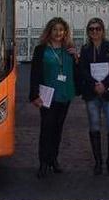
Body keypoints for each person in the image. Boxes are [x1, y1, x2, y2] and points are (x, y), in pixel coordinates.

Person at [29, 17, 79, 178]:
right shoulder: (41, 49)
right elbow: (34, 74)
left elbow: (77, 71)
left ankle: (54, 160)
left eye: (61, 30)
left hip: (65, 94)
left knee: (58, 129)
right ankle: (43, 162)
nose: (58, 33)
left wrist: (77, 58)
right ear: (49, 31)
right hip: (47, 96)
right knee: (46, 129)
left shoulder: (69, 49)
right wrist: (34, 95)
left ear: (65, 32)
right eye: (55, 30)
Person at [77, 18, 109, 176]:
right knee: (94, 126)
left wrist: (105, 84)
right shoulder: (85, 49)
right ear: (88, 32)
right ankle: (98, 162)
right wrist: (94, 85)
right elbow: (83, 70)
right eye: (91, 29)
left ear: (103, 30)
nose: (94, 32)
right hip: (92, 93)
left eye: (97, 29)